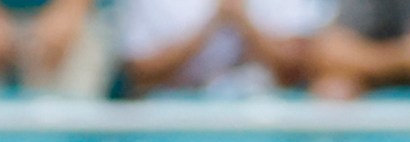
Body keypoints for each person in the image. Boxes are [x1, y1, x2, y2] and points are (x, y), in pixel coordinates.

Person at [118, 0, 325, 94]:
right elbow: (139, 73)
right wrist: (211, 23)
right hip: (171, 113)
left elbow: (297, 68)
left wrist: (243, 21)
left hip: (263, 115)